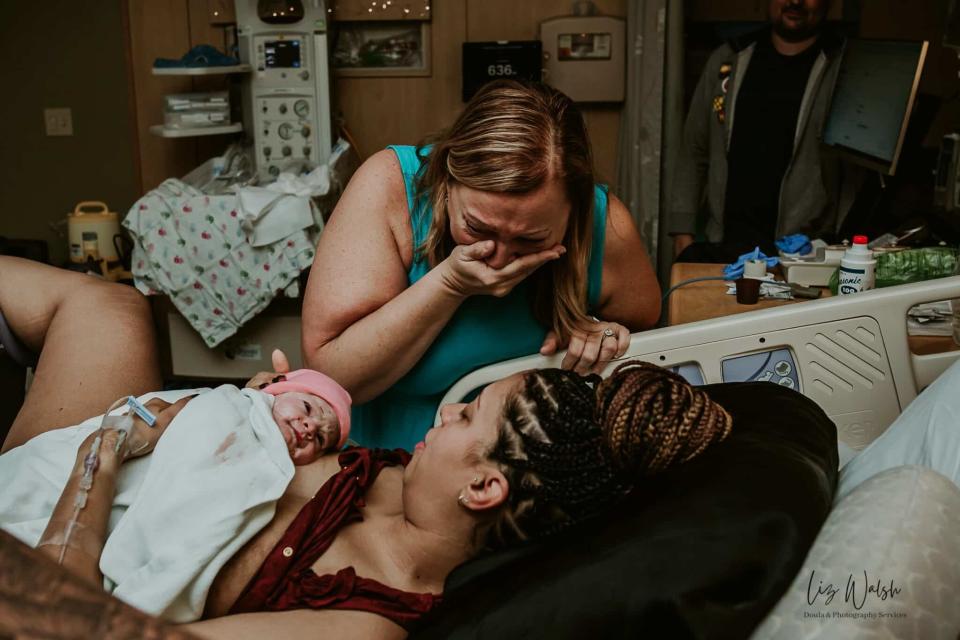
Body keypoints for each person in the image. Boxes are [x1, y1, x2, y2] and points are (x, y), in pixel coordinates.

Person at [0, 256, 728, 640]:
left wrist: (107, 447)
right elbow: (257, 435)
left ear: (484, 488)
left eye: (468, 417)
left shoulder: (362, 621)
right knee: (111, 304)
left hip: (79, 508)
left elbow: (84, 633)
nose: (443, 416)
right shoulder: (397, 479)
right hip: (145, 444)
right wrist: (261, 411)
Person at [300, 79, 662, 451]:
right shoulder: (388, 187)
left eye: (531, 239)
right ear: (446, 177)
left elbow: (646, 331)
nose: (500, 259)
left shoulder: (605, 225)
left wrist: (602, 334)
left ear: (575, 211)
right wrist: (450, 285)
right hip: (382, 462)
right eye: (477, 228)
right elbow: (333, 376)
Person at [669, 0, 847, 263]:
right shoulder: (729, 58)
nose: (795, 1)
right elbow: (695, 149)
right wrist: (682, 232)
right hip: (725, 248)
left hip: (803, 253)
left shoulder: (843, 64)